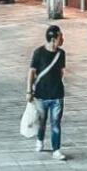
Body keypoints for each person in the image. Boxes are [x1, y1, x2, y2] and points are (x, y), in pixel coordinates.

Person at [29, 25, 68, 158]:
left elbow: (62, 72)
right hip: (41, 95)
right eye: (60, 37)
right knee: (42, 121)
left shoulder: (61, 54)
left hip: (57, 95)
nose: (62, 39)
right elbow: (32, 72)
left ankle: (56, 150)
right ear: (53, 38)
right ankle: (40, 140)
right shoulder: (38, 53)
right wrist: (29, 91)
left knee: (56, 123)